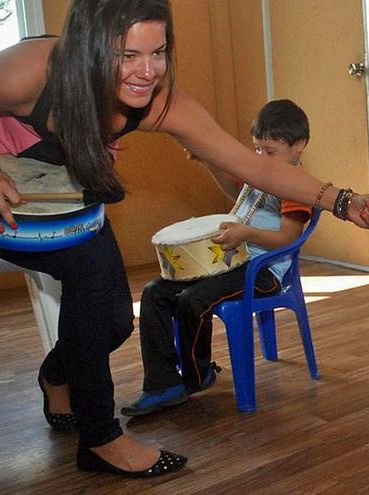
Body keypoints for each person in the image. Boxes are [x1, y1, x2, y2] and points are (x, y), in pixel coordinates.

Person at [0, 0, 369, 478]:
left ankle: (56, 375)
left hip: (71, 200)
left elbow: (253, 166)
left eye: (158, 52)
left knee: (116, 322)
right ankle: (100, 440)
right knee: (92, 288)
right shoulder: (29, 73)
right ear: (91, 46)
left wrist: (341, 200)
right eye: (128, 55)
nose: (147, 71)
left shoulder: (161, 100)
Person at [121, 99, 313, 416]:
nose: (261, 158)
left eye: (270, 151)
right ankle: (162, 382)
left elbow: (288, 239)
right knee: (156, 293)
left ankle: (198, 376)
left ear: (299, 146)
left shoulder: (298, 186)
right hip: (233, 259)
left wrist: (246, 234)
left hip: (263, 273)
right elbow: (234, 193)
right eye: (257, 149)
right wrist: (210, 163)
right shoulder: (261, 171)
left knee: (193, 299)